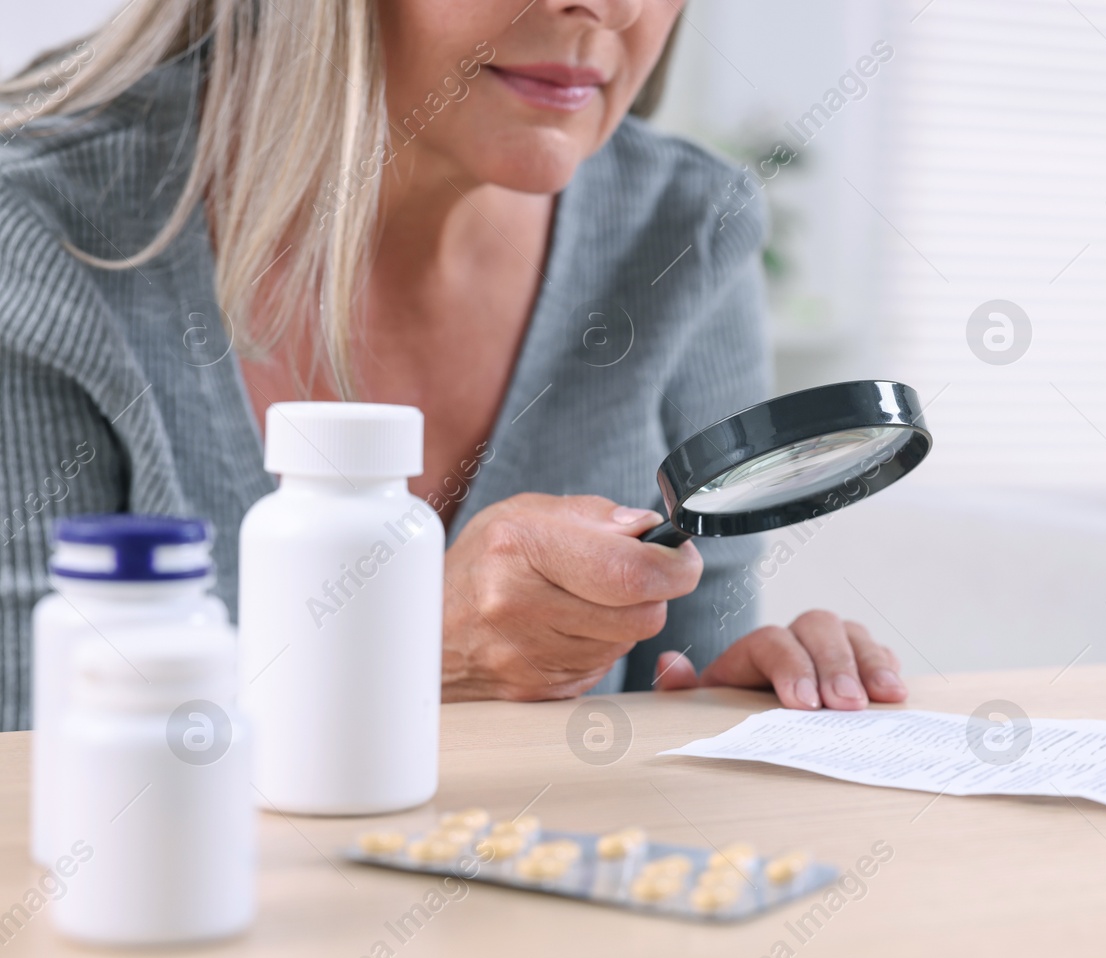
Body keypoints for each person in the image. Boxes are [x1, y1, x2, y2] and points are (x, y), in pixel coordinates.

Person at [0, 0, 908, 732]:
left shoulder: (685, 230)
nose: (608, 8)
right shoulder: (39, 234)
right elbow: (34, 775)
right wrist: (411, 655)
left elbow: (690, 669)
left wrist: (742, 693)